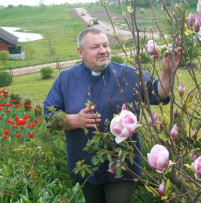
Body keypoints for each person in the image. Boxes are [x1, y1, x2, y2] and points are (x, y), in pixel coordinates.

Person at [43, 27, 182, 203]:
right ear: (81, 52)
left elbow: (158, 93)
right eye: (95, 47)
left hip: (124, 163)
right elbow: (50, 115)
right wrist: (73, 120)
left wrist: (167, 73)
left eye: (105, 45)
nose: (103, 50)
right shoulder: (66, 79)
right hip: (86, 163)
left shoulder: (128, 74)